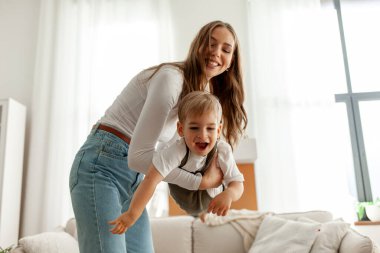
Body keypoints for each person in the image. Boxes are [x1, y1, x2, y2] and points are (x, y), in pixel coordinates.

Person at [69, 20, 247, 253]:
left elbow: (173, 157)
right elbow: (138, 157)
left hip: (134, 179)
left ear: (231, 61)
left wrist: (208, 199)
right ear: (197, 46)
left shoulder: (200, 96)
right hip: (102, 165)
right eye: (210, 44)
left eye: (226, 49)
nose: (216, 53)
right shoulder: (171, 79)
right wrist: (201, 182)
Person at [109, 91, 244, 234]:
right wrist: (132, 214)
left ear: (219, 130)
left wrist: (229, 194)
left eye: (210, 128)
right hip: (184, 197)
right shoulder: (176, 150)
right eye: (194, 128)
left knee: (217, 180)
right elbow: (150, 180)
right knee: (159, 171)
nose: (203, 135)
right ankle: (199, 214)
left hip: (208, 198)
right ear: (181, 129)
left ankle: (202, 214)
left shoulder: (222, 150)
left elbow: (237, 183)